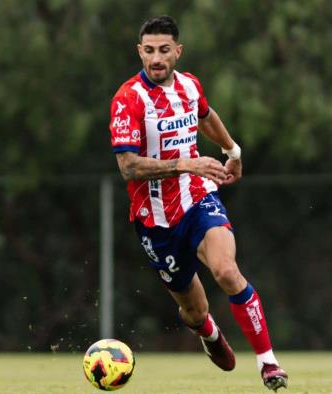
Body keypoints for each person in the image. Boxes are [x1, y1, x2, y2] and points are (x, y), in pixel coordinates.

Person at [108, 16, 288, 392]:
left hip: (199, 197)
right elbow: (128, 167)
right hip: (155, 221)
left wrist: (232, 150)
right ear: (140, 51)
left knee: (226, 271)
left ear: (178, 51)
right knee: (194, 310)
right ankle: (208, 334)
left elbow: (204, 116)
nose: (157, 58)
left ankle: (268, 363)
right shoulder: (128, 100)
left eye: (164, 50)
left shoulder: (190, 85)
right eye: (150, 50)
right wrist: (186, 162)